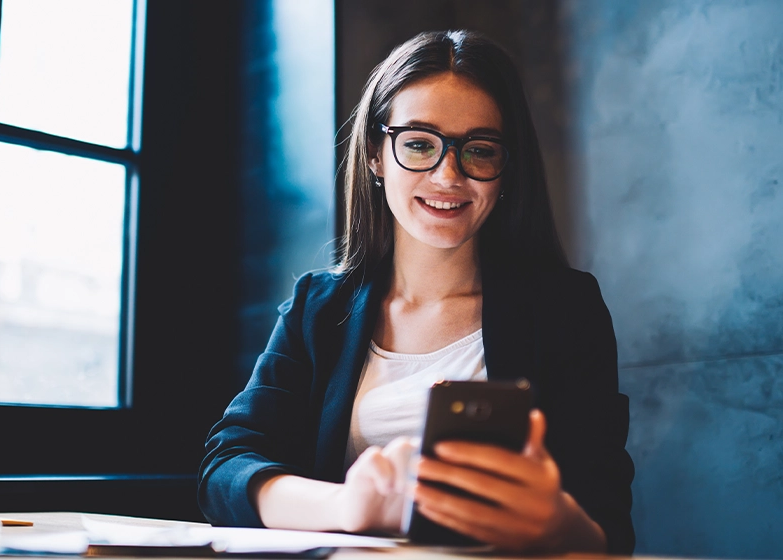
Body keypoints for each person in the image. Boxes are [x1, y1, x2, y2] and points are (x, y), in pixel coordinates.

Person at [197, 29, 634, 555]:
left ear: (505, 168)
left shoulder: (565, 310)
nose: (449, 175)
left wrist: (555, 521)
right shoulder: (318, 307)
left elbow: (608, 527)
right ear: (377, 157)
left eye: (480, 150)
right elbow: (226, 467)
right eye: (420, 144)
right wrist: (346, 507)